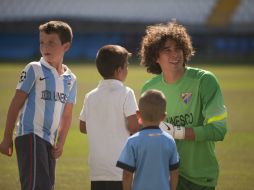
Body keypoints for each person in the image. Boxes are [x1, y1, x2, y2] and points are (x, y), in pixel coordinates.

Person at [139, 21, 227, 190]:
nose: (175, 54)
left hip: (198, 176)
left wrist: (176, 132)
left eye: (178, 48)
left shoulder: (204, 81)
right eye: (167, 50)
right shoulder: (149, 88)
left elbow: (219, 130)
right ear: (155, 57)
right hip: (164, 174)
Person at [0, 20, 77, 190]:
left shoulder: (71, 79)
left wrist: (61, 143)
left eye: (51, 43)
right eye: (42, 42)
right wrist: (6, 138)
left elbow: (67, 115)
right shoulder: (34, 69)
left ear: (66, 46)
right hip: (30, 135)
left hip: (49, 141)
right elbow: (15, 104)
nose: (45, 47)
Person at [79, 44, 139, 190]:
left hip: (97, 169)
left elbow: (82, 127)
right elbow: (134, 127)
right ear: (119, 70)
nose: (127, 70)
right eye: (126, 66)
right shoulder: (126, 93)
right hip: (121, 168)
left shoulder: (90, 96)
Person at [117, 89, 179, 190]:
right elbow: (174, 172)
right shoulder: (170, 140)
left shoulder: (132, 141)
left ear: (138, 114)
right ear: (163, 117)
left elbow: (127, 174)